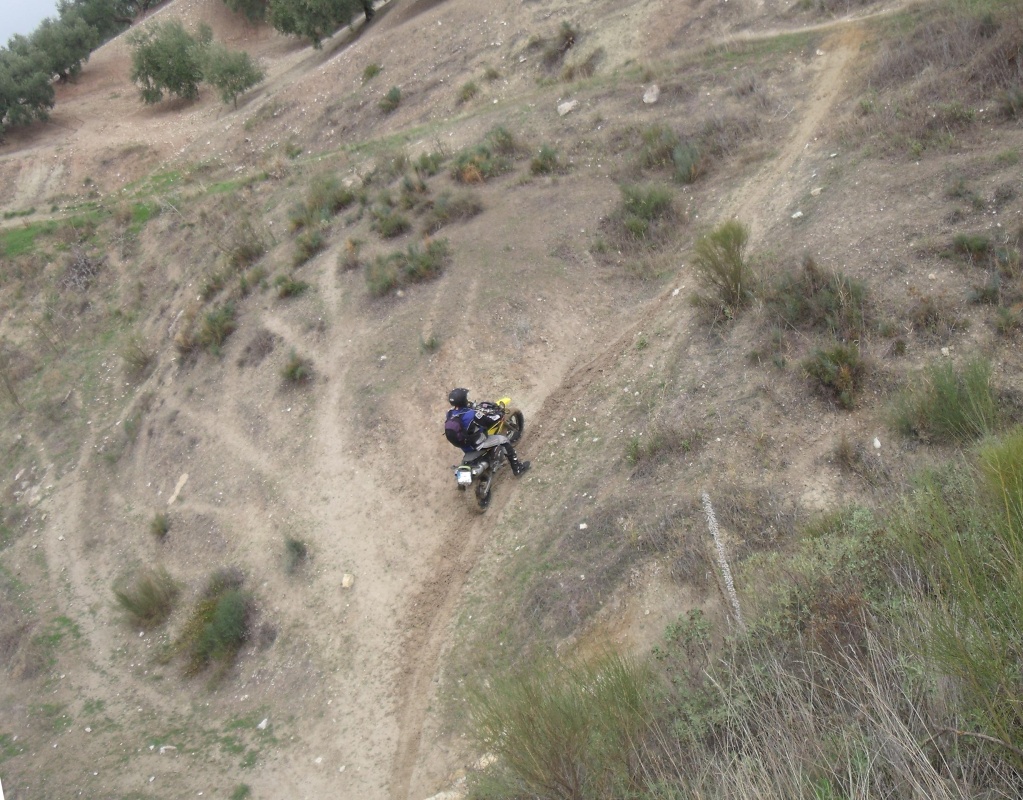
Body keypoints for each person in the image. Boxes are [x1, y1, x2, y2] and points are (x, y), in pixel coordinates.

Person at [446, 387, 531, 477]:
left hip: (464, 445)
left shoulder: (450, 413)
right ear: (463, 400)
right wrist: (499, 415)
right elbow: (490, 421)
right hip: (476, 443)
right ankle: (517, 468)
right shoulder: (472, 414)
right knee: (504, 440)